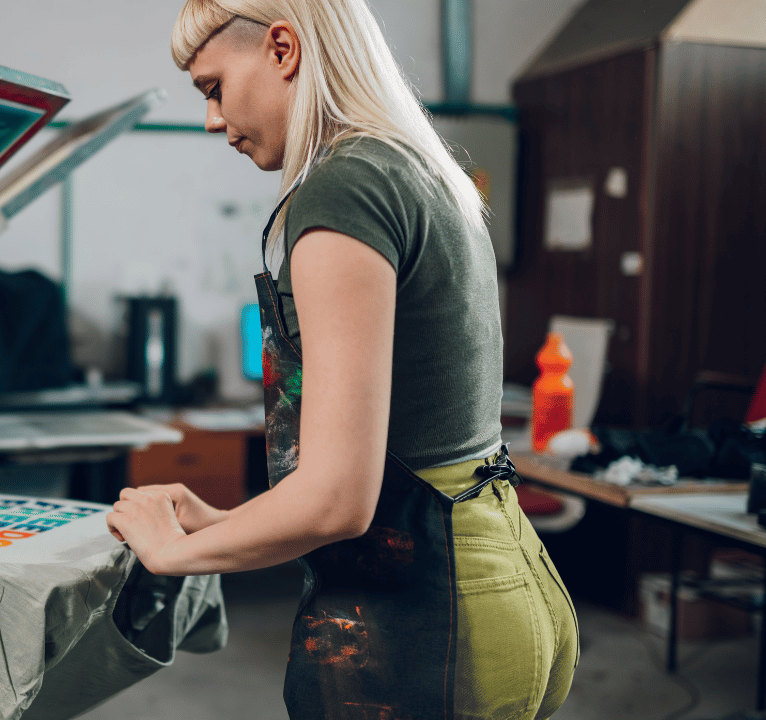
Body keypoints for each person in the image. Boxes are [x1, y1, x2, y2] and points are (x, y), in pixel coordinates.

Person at [104, 1, 579, 718]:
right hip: (505, 582)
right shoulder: (417, 168)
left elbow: (337, 499)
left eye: (212, 88)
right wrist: (218, 520)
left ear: (283, 50)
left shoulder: (341, 188)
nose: (210, 119)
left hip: (436, 620)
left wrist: (171, 552)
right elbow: (398, 447)